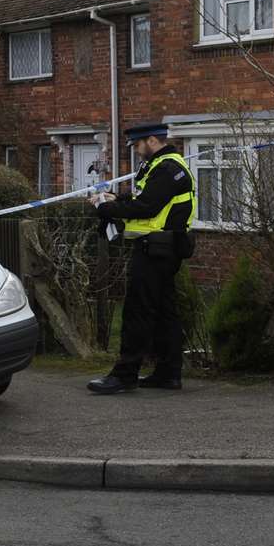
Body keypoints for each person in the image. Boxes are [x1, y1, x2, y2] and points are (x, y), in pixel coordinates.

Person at [87, 122, 196, 394]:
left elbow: (146, 207)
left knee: (138, 311)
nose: (136, 151)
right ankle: (168, 373)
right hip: (161, 249)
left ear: (152, 140)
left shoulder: (168, 168)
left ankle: (124, 376)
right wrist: (116, 197)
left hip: (155, 251)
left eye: (137, 145)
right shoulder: (161, 167)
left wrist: (106, 207)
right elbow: (143, 197)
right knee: (163, 313)